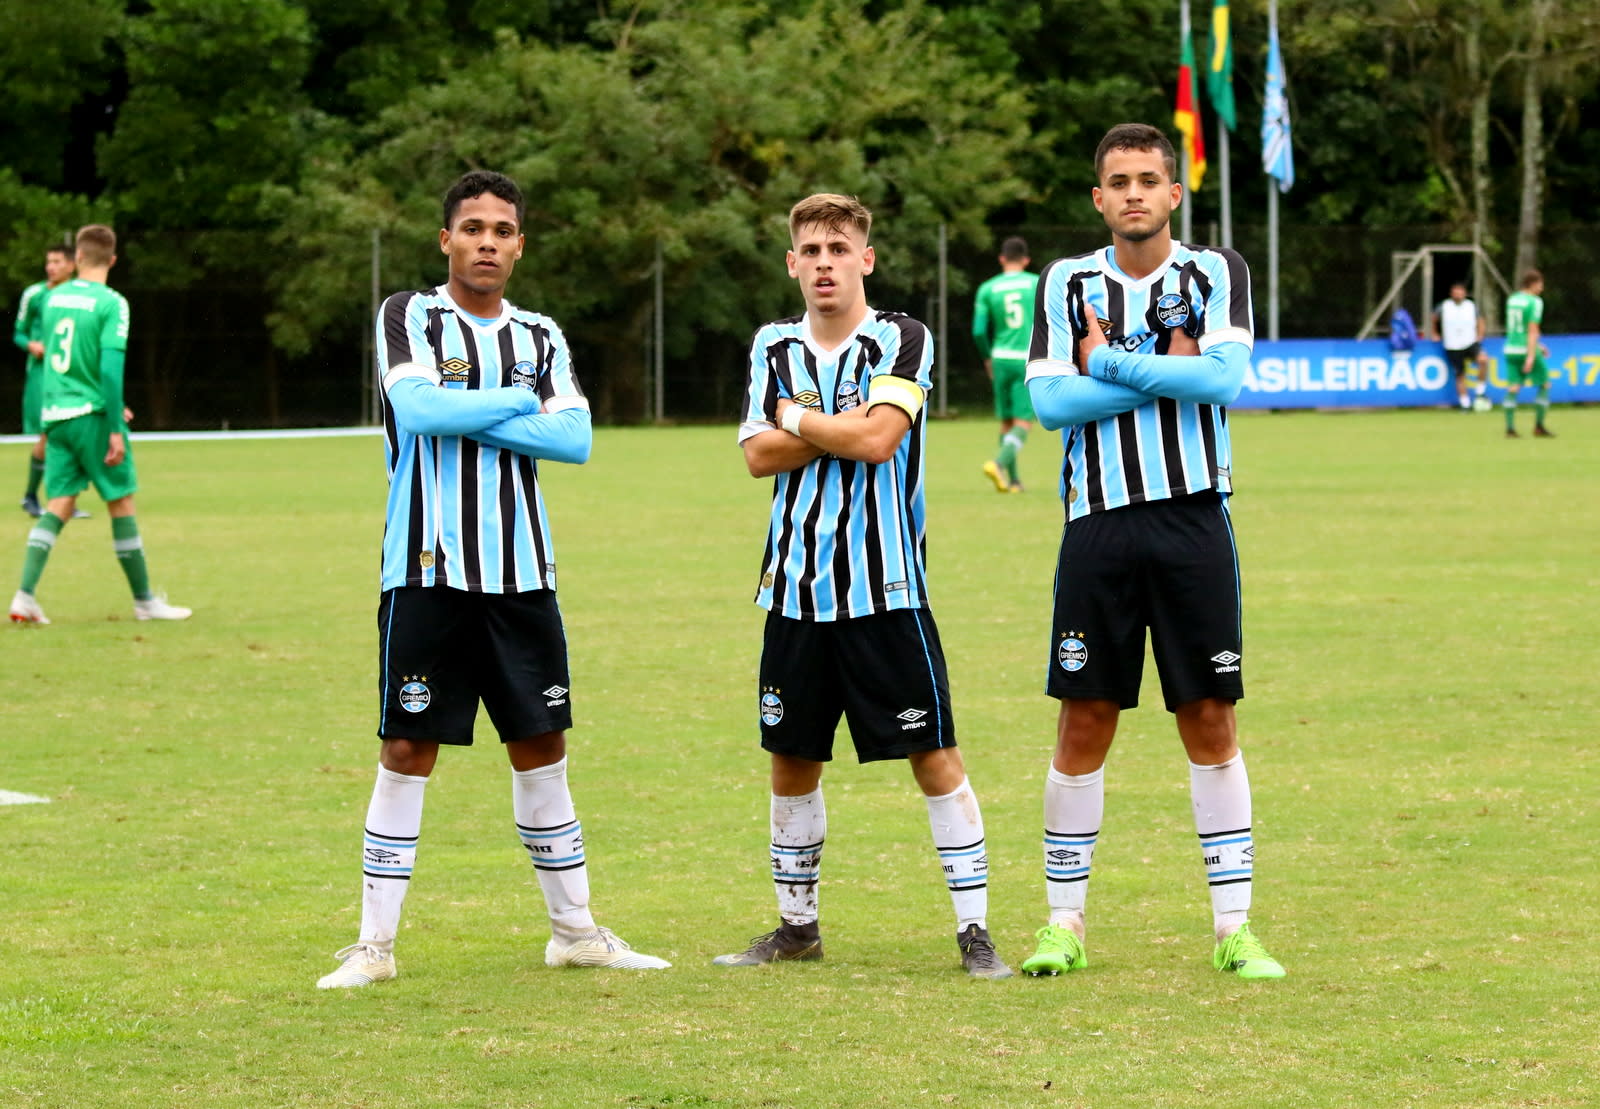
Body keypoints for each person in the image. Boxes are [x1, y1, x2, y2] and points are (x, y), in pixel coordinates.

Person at [316, 170, 668, 989]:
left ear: (519, 244)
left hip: (521, 576)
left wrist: (475, 402)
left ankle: (575, 932)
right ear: (447, 241)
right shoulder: (408, 314)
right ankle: (374, 946)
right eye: (471, 227)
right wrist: (516, 404)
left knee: (541, 746)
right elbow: (420, 413)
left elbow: (575, 436)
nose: (486, 242)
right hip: (425, 571)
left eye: (501, 230)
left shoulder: (541, 333)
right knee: (407, 746)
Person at [717, 193, 1010, 979]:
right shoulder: (772, 345)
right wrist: (831, 422)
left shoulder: (902, 337)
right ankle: (796, 927)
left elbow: (880, 440)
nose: (823, 262)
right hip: (795, 593)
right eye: (810, 250)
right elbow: (755, 457)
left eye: (838, 249)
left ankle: (975, 931)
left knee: (934, 754)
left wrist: (799, 419)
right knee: (791, 758)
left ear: (865, 260)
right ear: (791, 262)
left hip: (887, 591)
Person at [1018, 123, 1284, 981]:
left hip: (1193, 520)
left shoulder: (1216, 271)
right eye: (1118, 182)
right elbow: (1052, 402)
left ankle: (1234, 930)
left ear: (1175, 194)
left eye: (1149, 180)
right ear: (1099, 199)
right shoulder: (1066, 281)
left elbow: (1223, 382)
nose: (1134, 193)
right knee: (1084, 717)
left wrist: (1112, 363)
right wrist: (1159, 367)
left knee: (1208, 715)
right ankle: (1064, 923)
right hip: (1097, 525)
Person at [8, 225, 190, 626]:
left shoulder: (52, 299)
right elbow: (109, 368)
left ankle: (24, 597)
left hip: (55, 416)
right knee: (121, 501)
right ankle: (145, 602)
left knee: (59, 503)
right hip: (91, 416)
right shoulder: (112, 303)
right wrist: (113, 424)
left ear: (76, 258)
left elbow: (63, 358)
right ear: (112, 260)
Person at [12, 244, 91, 519]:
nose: (51, 267)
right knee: (49, 434)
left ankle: (64, 500)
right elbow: (17, 333)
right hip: (41, 376)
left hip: (70, 374)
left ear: (72, 265)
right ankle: (32, 495)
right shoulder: (34, 294)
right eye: (49, 262)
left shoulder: (79, 295)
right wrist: (31, 345)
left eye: (57, 262)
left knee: (68, 434)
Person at [972, 236, 1039, 492]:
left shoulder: (988, 288)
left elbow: (978, 331)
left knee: (1007, 421)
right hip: (1026, 359)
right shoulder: (1035, 283)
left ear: (1002, 259)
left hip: (999, 358)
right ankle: (999, 464)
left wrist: (987, 358)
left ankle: (1013, 481)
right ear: (1026, 260)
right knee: (1023, 421)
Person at [1501, 269, 1554, 439]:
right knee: (1545, 383)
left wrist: (1540, 346)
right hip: (1526, 349)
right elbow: (1531, 329)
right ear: (1533, 284)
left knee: (1514, 386)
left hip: (1510, 348)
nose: (1542, 288)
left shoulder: (1513, 299)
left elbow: (1518, 328)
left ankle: (1510, 428)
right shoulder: (1535, 301)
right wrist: (1532, 355)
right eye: (1540, 284)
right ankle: (1539, 426)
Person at [1428, 281, 1489, 410]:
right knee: (1460, 375)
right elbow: (1434, 318)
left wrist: (1480, 334)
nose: (1458, 295)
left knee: (1483, 360)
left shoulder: (1471, 306)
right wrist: (1434, 333)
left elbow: (1480, 320)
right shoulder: (1444, 306)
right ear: (1451, 294)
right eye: (1455, 293)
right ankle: (1465, 403)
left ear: (1464, 294)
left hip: (1470, 342)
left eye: (1460, 292)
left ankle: (1480, 391)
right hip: (1452, 345)